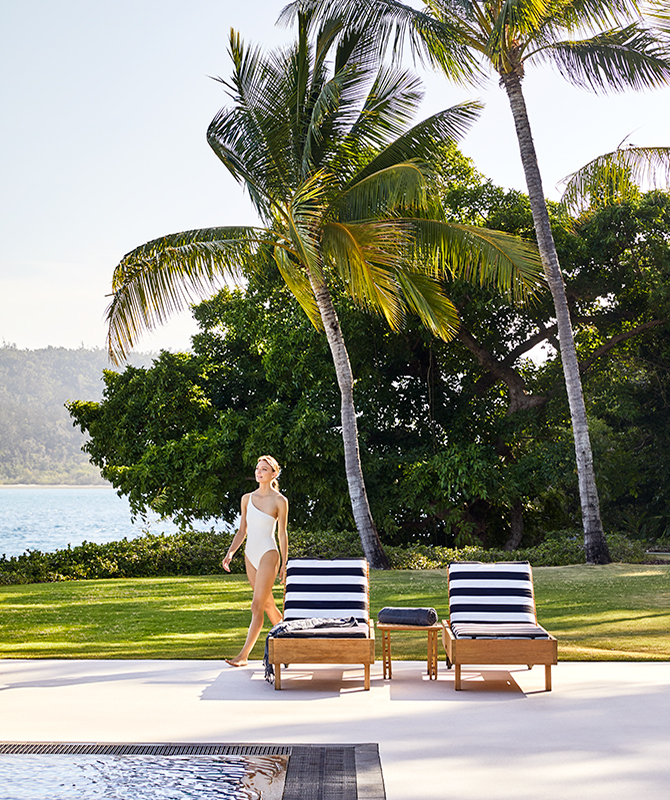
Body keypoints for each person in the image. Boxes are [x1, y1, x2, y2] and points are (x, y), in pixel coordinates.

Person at [221, 455, 288, 667]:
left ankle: (243, 656)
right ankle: (290, 643)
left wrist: (285, 563)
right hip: (250, 555)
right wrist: (231, 552)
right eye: (258, 468)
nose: (259, 472)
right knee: (268, 606)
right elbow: (242, 530)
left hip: (269, 553)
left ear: (274, 474)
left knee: (256, 605)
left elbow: (282, 534)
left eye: (264, 469)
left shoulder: (280, 501)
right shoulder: (246, 499)